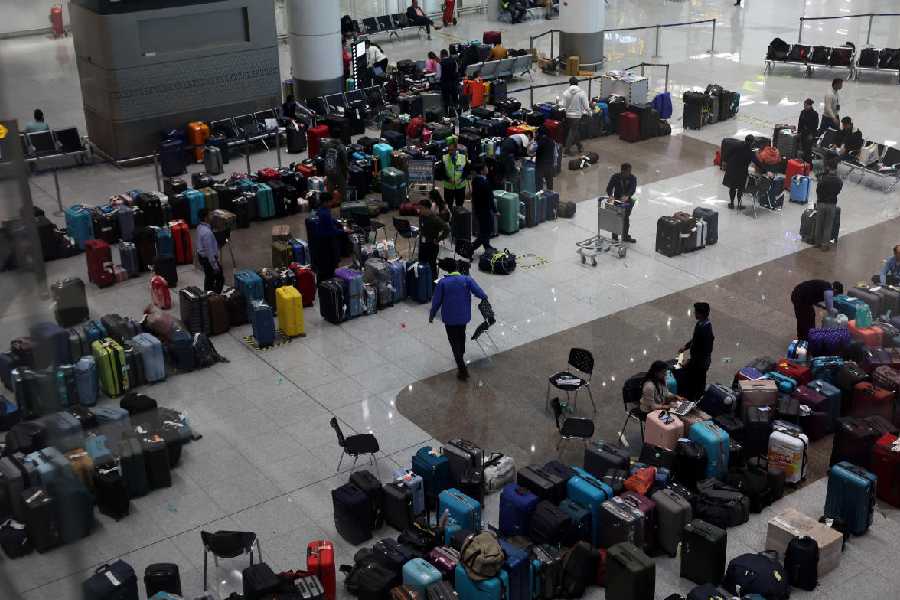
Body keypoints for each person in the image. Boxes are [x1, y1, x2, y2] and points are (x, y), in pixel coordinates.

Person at [429, 258, 488, 381]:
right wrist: (483, 297)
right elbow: (480, 293)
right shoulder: (466, 279)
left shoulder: (443, 283)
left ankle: (462, 367)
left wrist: (432, 314)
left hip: (449, 319)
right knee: (461, 336)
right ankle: (461, 354)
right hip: (463, 317)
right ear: (456, 266)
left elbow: (436, 301)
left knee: (453, 341)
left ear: (446, 269)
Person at [677, 302, 715, 401]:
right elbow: (695, 340)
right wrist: (685, 347)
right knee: (695, 380)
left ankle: (696, 400)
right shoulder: (700, 324)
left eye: (696, 312)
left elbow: (705, 351)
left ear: (701, 314)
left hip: (700, 363)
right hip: (697, 361)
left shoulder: (706, 329)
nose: (694, 313)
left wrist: (690, 361)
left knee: (698, 383)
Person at [723, 134, 762, 210]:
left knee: (732, 187)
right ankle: (739, 205)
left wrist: (725, 161)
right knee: (740, 188)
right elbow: (757, 162)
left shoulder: (737, 145)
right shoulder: (750, 151)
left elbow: (728, 152)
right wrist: (765, 170)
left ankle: (731, 203)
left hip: (732, 169)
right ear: (752, 142)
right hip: (741, 171)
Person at [312, 193, 344, 281]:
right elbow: (332, 231)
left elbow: (330, 220)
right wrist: (344, 231)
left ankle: (322, 279)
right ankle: (329, 281)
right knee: (329, 263)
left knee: (323, 264)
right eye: (330, 201)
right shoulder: (325, 213)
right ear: (325, 202)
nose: (332, 203)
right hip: (326, 241)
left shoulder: (320, 210)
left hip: (319, 240)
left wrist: (337, 222)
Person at [815, 158, 843, 251]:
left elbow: (818, 190)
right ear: (836, 169)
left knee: (819, 224)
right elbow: (838, 191)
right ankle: (824, 245)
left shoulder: (823, 179)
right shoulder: (839, 181)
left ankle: (817, 243)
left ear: (828, 168)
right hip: (831, 205)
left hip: (821, 203)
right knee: (828, 225)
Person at [418, 199, 450, 280]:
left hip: (432, 246)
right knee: (421, 263)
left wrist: (439, 239)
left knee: (432, 266)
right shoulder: (421, 216)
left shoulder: (435, 219)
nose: (419, 210)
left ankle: (433, 284)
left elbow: (447, 228)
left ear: (426, 208)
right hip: (422, 245)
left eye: (421, 208)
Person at [606, 163, 638, 243]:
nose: (629, 173)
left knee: (626, 218)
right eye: (627, 171)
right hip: (617, 200)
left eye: (630, 171)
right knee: (616, 218)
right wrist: (610, 195)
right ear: (622, 171)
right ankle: (615, 238)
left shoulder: (632, 178)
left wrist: (627, 196)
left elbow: (632, 189)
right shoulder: (615, 177)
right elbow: (609, 188)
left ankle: (625, 236)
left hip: (627, 202)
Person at [471, 162, 497, 254]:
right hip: (484, 210)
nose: (488, 168)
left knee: (484, 229)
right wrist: (495, 210)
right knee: (486, 230)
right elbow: (489, 198)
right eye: (486, 167)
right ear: (482, 171)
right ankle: (471, 248)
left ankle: (487, 246)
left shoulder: (476, 180)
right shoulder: (483, 182)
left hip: (479, 209)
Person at [196, 209, 224, 294]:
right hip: (208, 260)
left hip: (202, 257)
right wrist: (215, 266)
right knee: (220, 278)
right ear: (205, 218)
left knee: (209, 279)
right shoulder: (207, 233)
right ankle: (214, 297)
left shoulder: (200, 227)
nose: (211, 217)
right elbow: (209, 252)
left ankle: (208, 296)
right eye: (210, 215)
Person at [561, 77, 590, 155]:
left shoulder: (565, 93)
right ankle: (567, 149)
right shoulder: (582, 93)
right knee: (573, 132)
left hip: (568, 115)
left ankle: (579, 146)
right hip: (577, 116)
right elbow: (586, 106)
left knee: (574, 131)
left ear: (570, 83)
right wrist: (589, 112)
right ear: (577, 83)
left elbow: (563, 105)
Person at [442, 137, 469, 208]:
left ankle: (459, 218)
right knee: (448, 206)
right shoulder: (444, 158)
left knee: (460, 206)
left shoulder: (463, 157)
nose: (450, 152)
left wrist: (461, 179)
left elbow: (467, 171)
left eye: (452, 150)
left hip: (460, 186)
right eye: (449, 150)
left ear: (456, 149)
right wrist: (448, 179)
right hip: (448, 187)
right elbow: (440, 172)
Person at [534, 127, 556, 191]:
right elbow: (555, 154)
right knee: (549, 183)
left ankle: (539, 197)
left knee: (538, 184)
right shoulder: (552, 141)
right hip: (549, 164)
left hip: (540, 165)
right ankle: (551, 196)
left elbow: (531, 151)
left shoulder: (539, 142)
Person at [797, 98, 819, 163]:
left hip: (810, 134)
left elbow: (815, 126)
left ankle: (808, 163)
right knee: (803, 148)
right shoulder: (803, 112)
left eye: (806, 105)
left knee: (808, 149)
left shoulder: (814, 114)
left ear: (810, 105)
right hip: (803, 133)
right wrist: (799, 132)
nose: (805, 107)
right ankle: (803, 162)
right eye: (804, 105)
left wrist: (811, 135)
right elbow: (800, 123)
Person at [439, 49, 459, 115]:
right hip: (453, 84)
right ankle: (456, 112)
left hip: (445, 84)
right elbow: (456, 72)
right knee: (455, 99)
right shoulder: (454, 62)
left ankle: (447, 114)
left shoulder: (440, 63)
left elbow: (439, 75)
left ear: (441, 55)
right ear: (447, 54)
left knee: (446, 101)